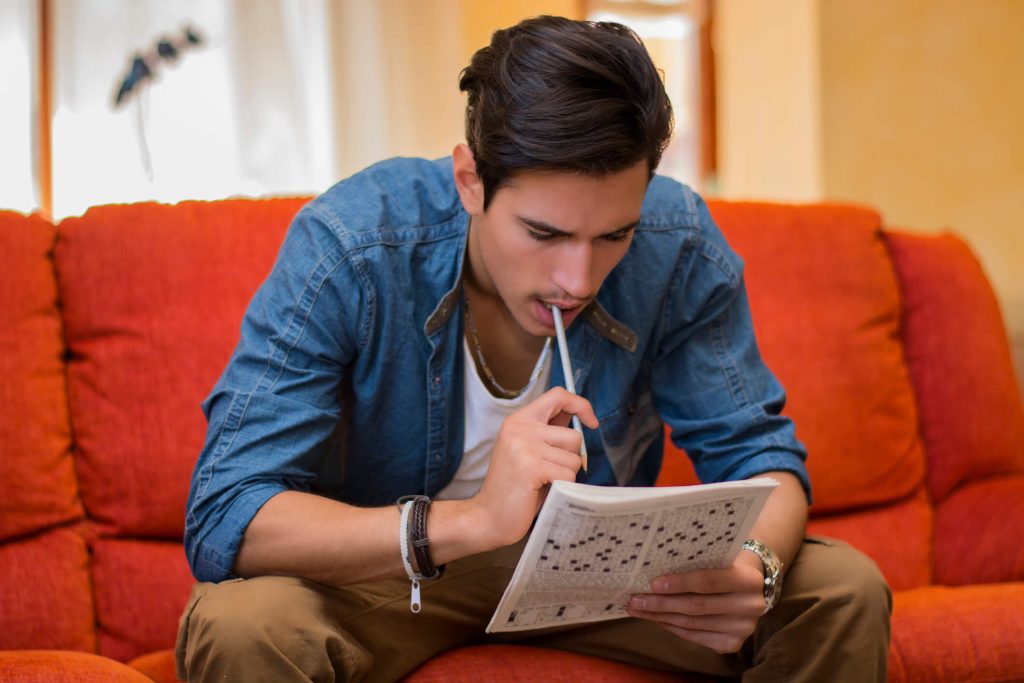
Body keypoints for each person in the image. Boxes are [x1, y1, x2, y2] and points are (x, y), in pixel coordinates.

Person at [176, 15, 891, 683]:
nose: (577, 280)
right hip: (395, 580)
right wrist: (472, 521)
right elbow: (229, 511)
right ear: (470, 181)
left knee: (841, 590)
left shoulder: (679, 244)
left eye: (614, 235)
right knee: (241, 624)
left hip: (602, 577)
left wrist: (755, 565)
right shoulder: (353, 246)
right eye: (544, 234)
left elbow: (763, 459)